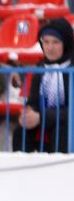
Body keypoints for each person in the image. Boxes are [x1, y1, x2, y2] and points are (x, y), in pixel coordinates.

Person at [12, 18, 73, 154]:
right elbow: (33, 101)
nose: (49, 48)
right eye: (45, 42)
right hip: (46, 119)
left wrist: (42, 117)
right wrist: (29, 113)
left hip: (66, 122)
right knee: (21, 132)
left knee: (62, 130)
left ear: (66, 43)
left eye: (56, 42)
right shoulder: (41, 69)